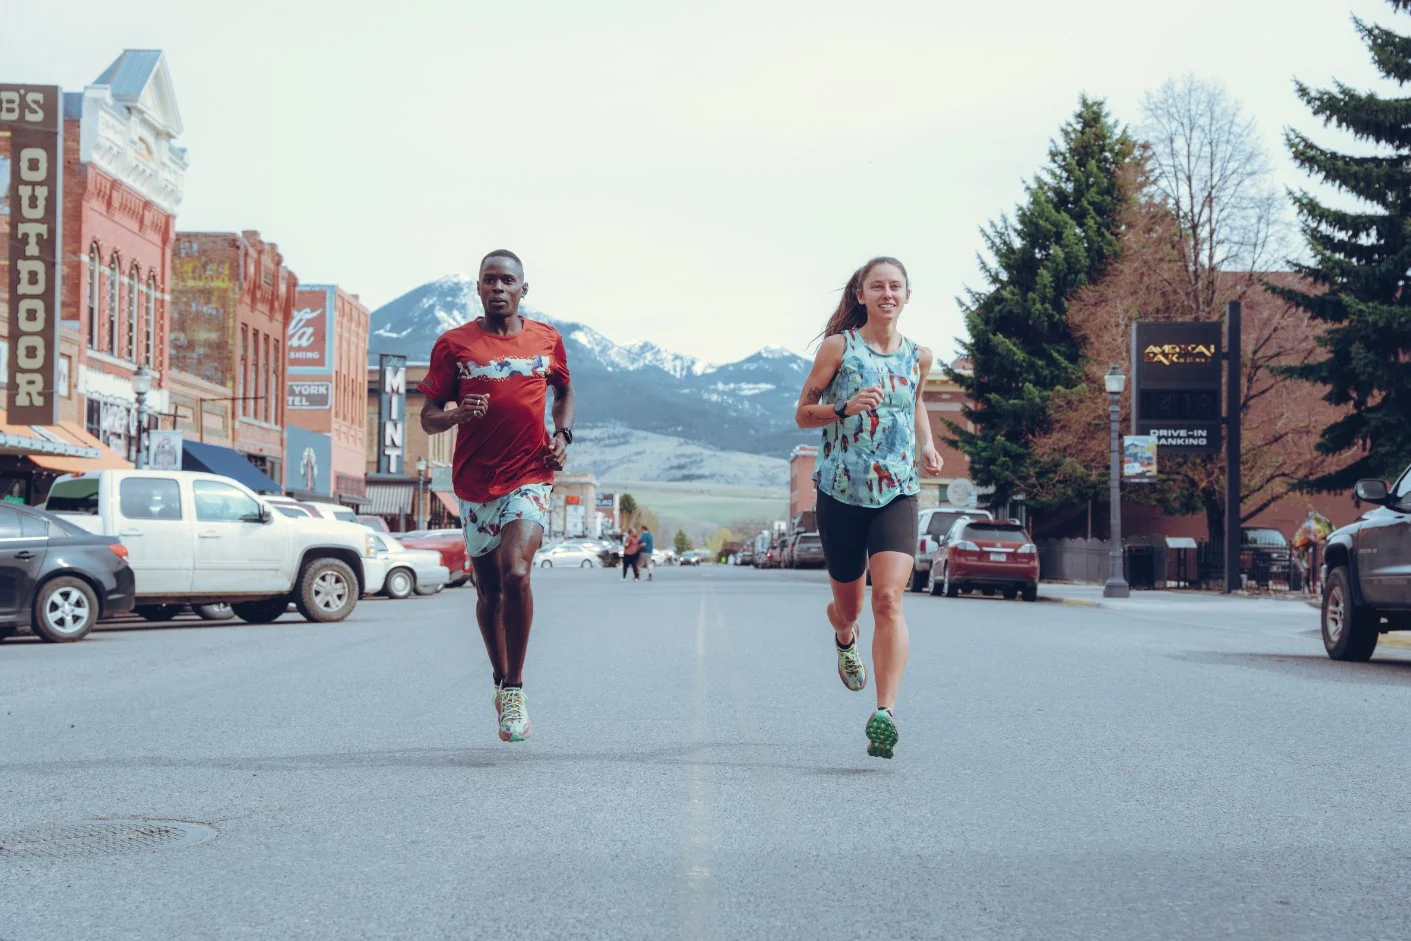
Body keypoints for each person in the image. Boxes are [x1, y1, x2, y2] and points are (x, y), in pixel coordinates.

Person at [417, 249, 575, 744]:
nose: (499, 288)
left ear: (522, 290)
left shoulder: (547, 340)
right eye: (490, 280)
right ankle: (497, 676)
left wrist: (562, 435)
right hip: (474, 482)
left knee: (518, 572)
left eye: (508, 280)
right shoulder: (454, 345)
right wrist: (457, 415)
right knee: (488, 592)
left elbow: (565, 392)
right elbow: (427, 416)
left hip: (530, 473)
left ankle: (514, 688)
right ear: (480, 288)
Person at [794, 256, 944, 759]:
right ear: (861, 295)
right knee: (852, 607)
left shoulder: (919, 357)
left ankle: (884, 712)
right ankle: (842, 634)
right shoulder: (840, 347)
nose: (887, 294)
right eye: (877, 286)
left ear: (906, 295)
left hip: (897, 490)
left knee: (889, 601)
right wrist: (843, 407)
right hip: (840, 491)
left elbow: (916, 402)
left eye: (895, 286)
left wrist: (925, 445)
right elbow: (802, 412)